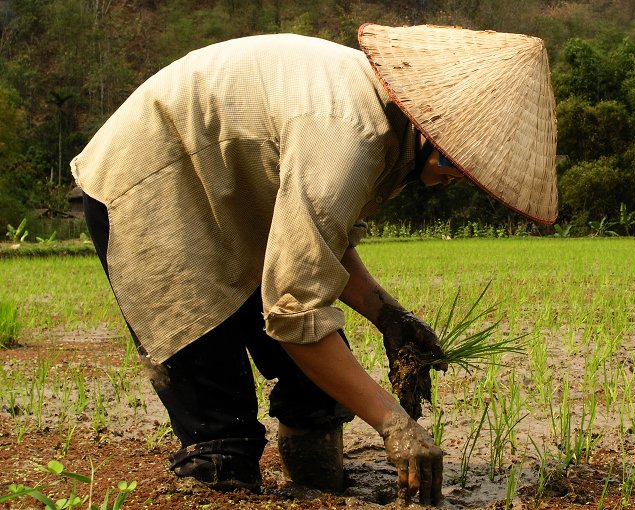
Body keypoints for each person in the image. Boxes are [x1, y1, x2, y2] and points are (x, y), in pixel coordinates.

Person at [70, 23, 557, 505]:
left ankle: (316, 492)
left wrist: (390, 316)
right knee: (221, 430)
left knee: (318, 390)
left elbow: (322, 243)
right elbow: (295, 311)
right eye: (457, 163)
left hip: (229, 200)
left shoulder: (384, 126)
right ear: (432, 128)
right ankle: (218, 487)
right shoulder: (350, 138)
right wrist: (393, 423)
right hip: (153, 188)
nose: (460, 178)